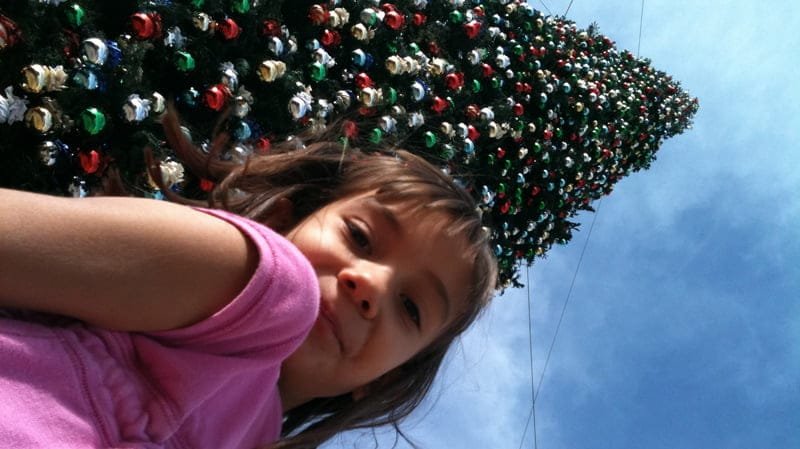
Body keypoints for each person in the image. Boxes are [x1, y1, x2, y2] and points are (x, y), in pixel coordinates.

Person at [0, 109, 498, 449]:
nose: (369, 285)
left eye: (410, 308)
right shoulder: (268, 286)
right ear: (282, 222)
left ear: (387, 377)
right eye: (360, 237)